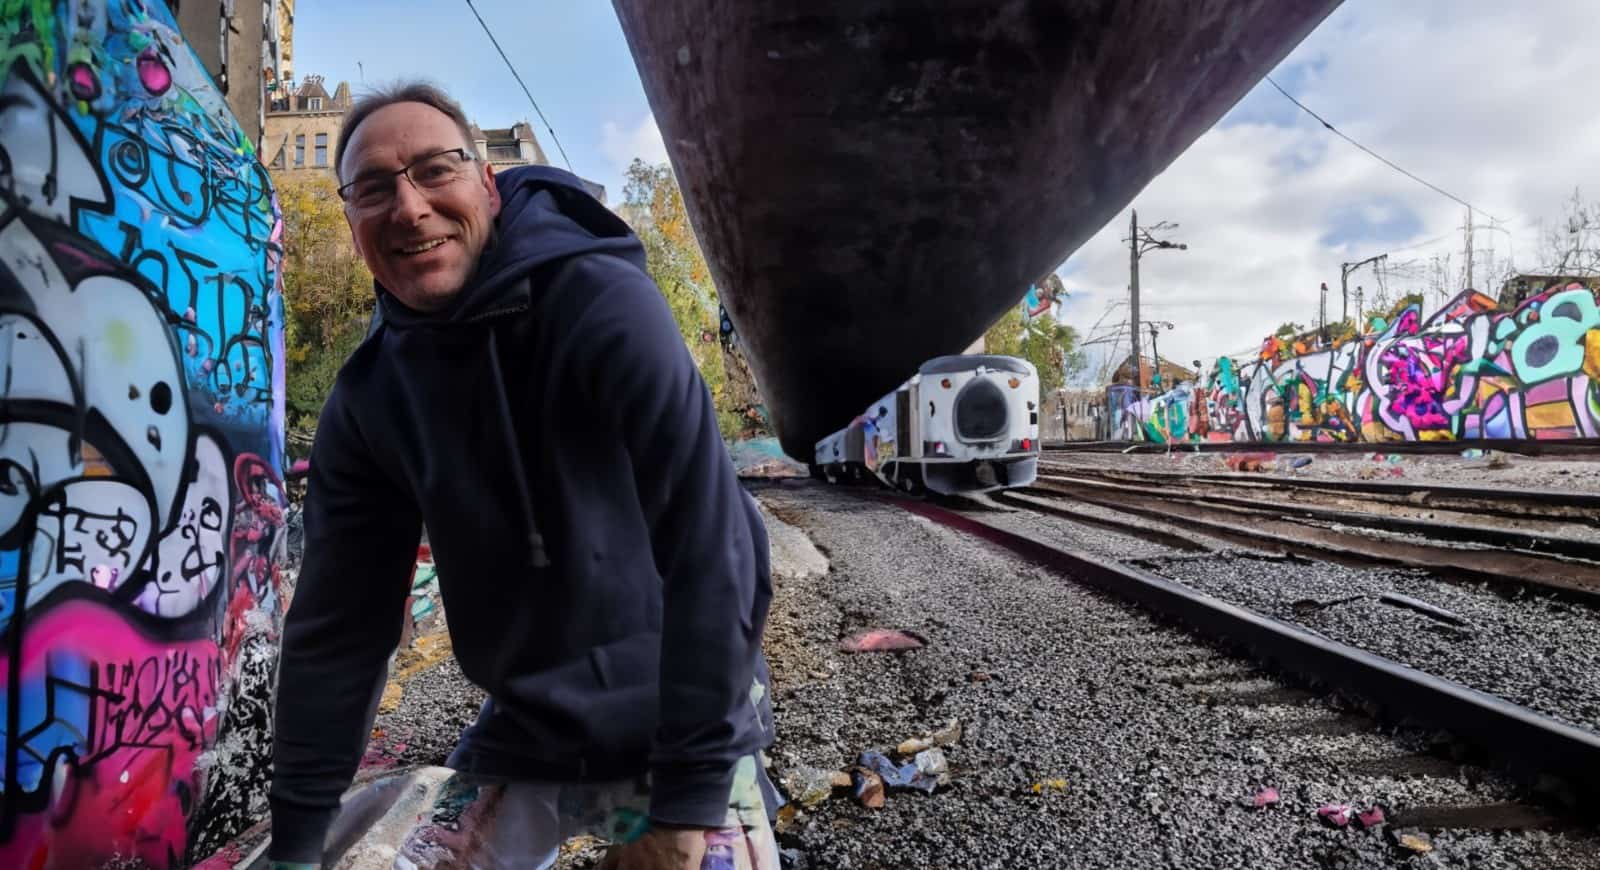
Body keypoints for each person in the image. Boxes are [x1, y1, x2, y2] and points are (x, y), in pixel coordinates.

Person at [268, 82, 779, 870]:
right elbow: (338, 633)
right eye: (374, 188)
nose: (408, 208)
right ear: (351, 223)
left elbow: (714, 550)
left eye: (435, 170)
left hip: (679, 711)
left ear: (489, 186)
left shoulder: (599, 300)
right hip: (529, 728)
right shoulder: (370, 400)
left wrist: (685, 806)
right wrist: (298, 849)